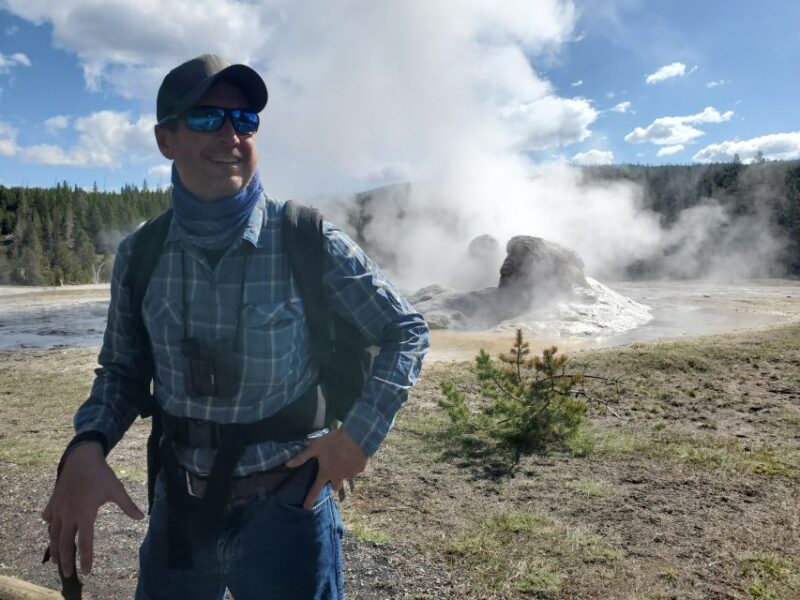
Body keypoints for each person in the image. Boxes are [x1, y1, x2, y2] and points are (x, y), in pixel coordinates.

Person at [41, 53, 429, 599]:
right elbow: (122, 372)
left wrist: (358, 439)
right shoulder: (141, 254)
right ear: (165, 139)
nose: (230, 133)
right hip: (179, 506)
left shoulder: (305, 238)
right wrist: (86, 447)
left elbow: (406, 329)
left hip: (289, 510)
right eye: (206, 117)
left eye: (245, 120)